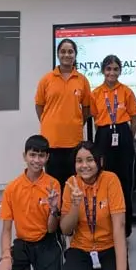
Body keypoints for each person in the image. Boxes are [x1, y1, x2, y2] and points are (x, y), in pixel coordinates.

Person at [0, 135, 62, 270]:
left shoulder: (53, 185)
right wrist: (6, 257)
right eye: (32, 155)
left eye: (41, 156)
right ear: (25, 156)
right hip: (23, 243)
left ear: (47, 157)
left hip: (46, 242)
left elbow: (51, 229)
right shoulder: (12, 188)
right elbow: (6, 229)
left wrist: (54, 209)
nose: (36, 160)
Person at [59, 141, 129, 270]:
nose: (84, 165)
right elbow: (66, 230)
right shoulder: (71, 184)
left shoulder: (110, 180)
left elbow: (119, 226)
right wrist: (75, 205)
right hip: (80, 249)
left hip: (108, 247)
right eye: (79, 161)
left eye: (90, 160)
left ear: (100, 161)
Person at [90, 54, 136, 238]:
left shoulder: (127, 91)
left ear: (120, 71)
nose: (112, 72)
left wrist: (127, 138)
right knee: (103, 181)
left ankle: (125, 229)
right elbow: (95, 119)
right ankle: (106, 227)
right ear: (103, 70)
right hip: (103, 137)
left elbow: (134, 120)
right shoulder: (95, 93)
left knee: (125, 183)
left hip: (123, 136)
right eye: (108, 69)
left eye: (116, 69)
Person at [35, 38, 91, 188]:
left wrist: (75, 123)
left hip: (74, 141)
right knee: (54, 184)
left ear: (75, 55)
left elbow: (86, 109)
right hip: (52, 140)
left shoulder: (82, 80)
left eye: (70, 52)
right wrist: (49, 122)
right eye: (63, 51)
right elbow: (39, 106)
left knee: (74, 184)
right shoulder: (46, 79)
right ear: (58, 54)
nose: (67, 55)